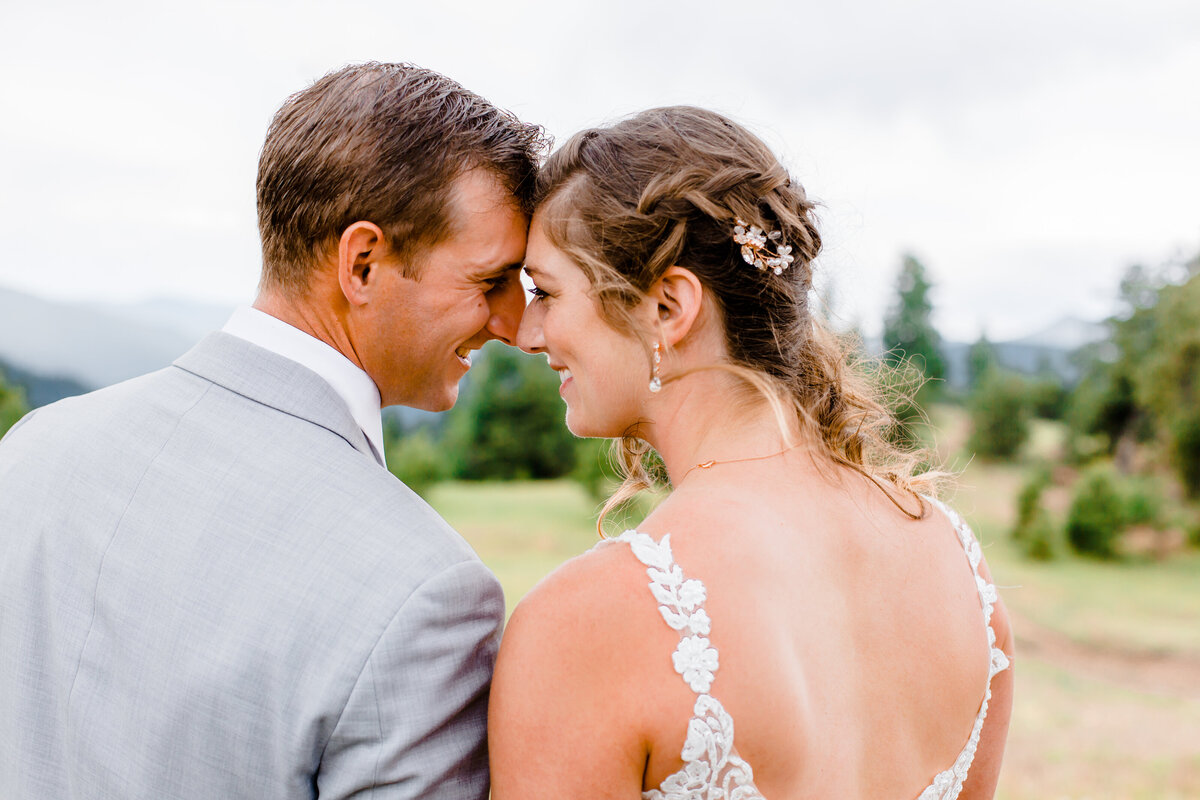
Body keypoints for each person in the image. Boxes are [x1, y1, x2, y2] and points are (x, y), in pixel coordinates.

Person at [0, 62, 546, 799]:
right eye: (489, 282)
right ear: (362, 263)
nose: (515, 325)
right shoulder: (425, 592)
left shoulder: (34, 447)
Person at [489, 107, 1014, 799]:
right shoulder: (956, 565)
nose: (526, 333)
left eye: (546, 293)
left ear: (669, 307)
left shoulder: (588, 624)